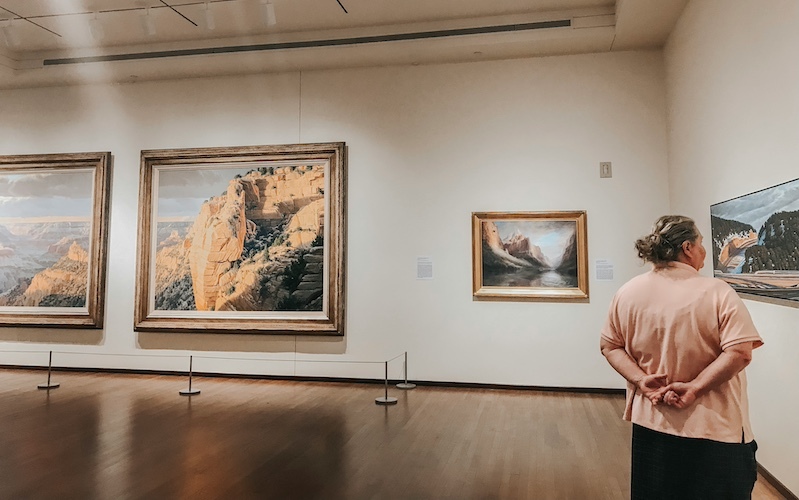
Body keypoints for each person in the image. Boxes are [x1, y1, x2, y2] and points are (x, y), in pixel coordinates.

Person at [600, 215, 764, 500]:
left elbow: (609, 346)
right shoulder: (717, 292)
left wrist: (641, 380)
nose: (703, 252)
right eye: (701, 244)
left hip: (651, 421)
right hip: (714, 429)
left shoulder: (628, 292)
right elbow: (740, 352)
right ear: (687, 247)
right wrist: (695, 388)